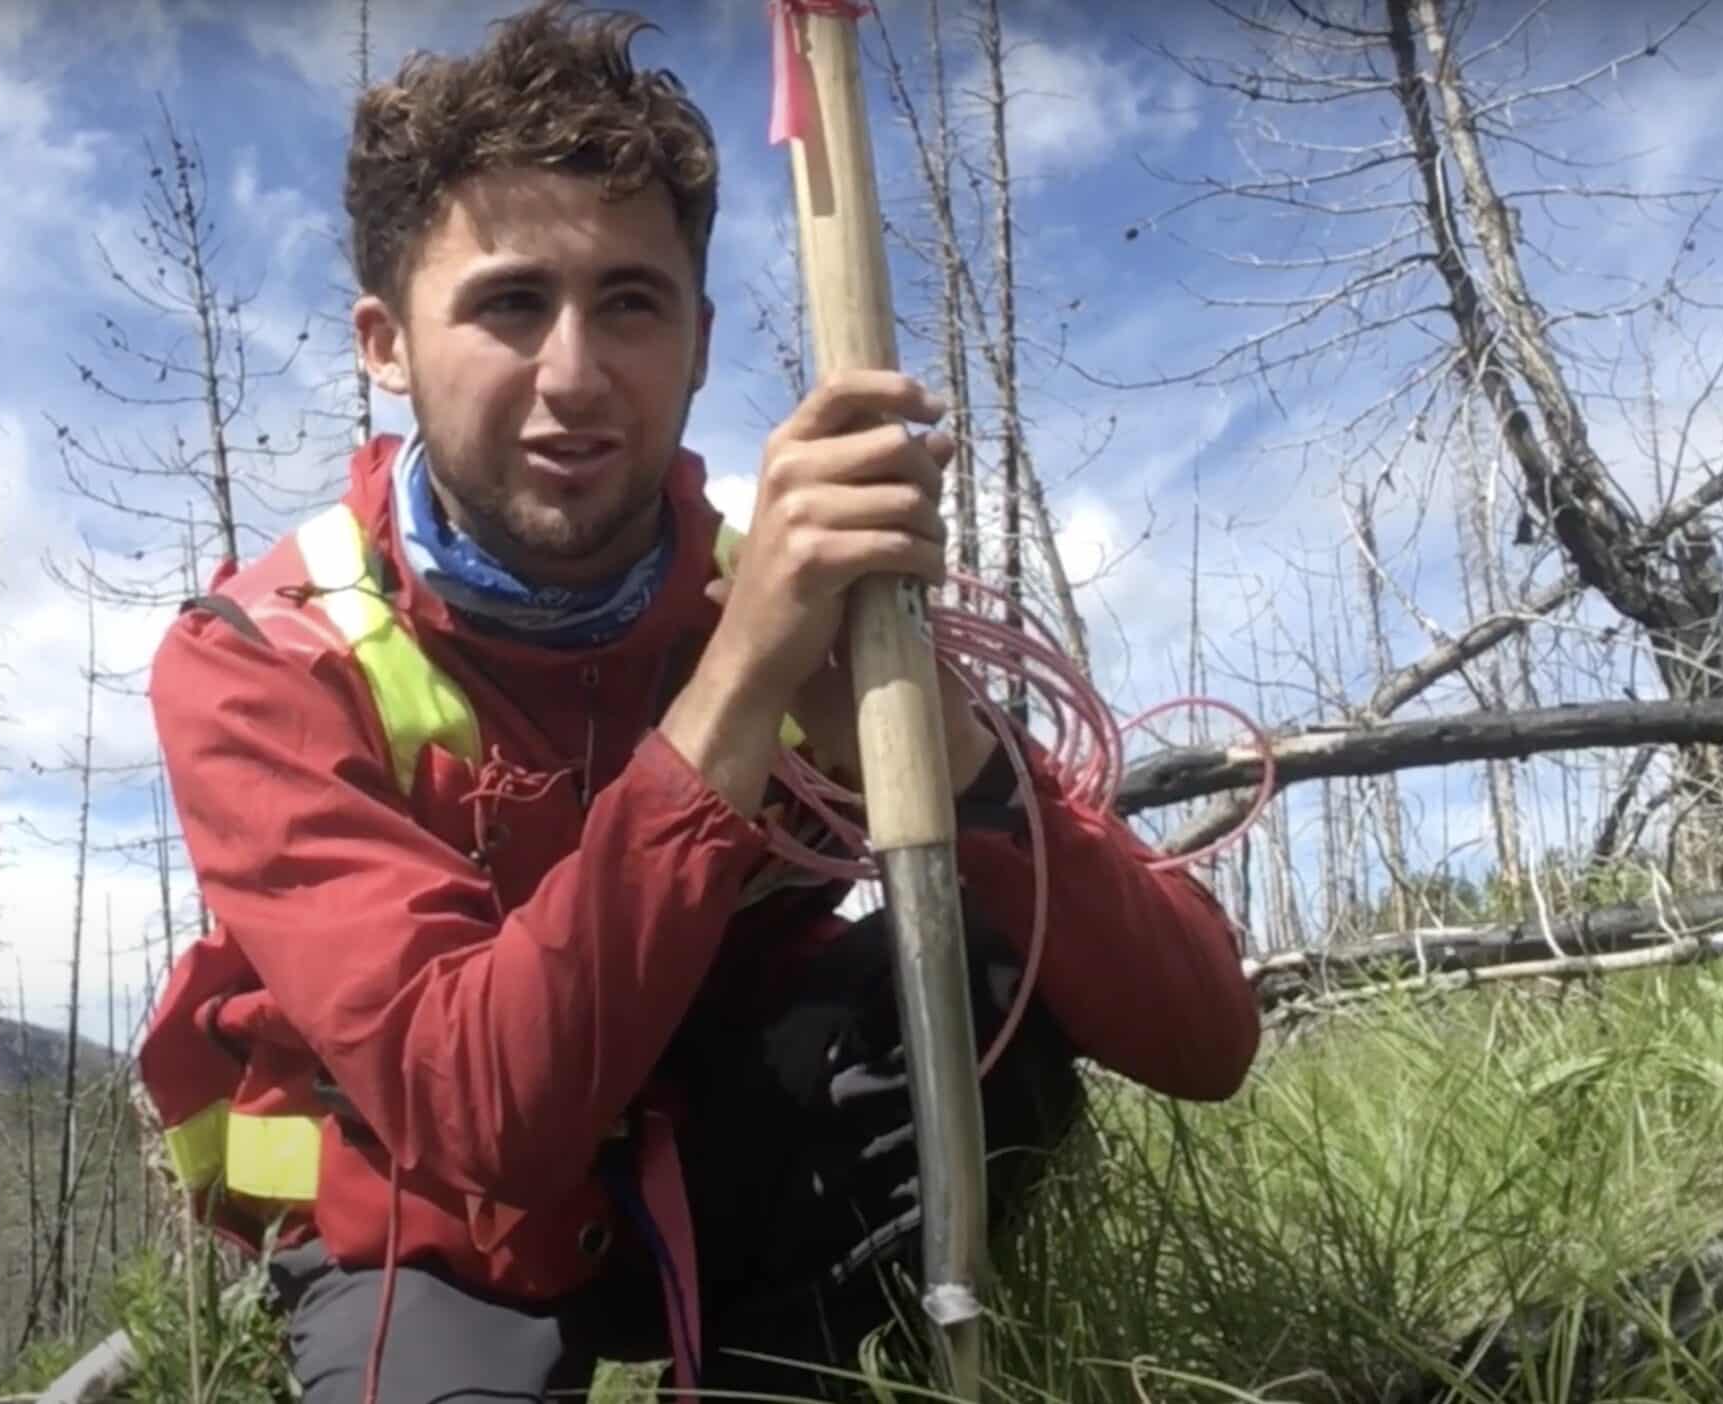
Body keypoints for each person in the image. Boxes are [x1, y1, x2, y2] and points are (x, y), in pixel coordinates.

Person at [136, 3, 1261, 1398]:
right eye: (506, 304)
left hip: (718, 1160)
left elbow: (1205, 1039)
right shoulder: (264, 655)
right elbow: (480, 1118)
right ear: (386, 343)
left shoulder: (786, 596)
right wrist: (741, 688)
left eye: (630, 300)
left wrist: (958, 762)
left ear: (701, 338)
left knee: (977, 981)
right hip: (429, 1230)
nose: (575, 375)